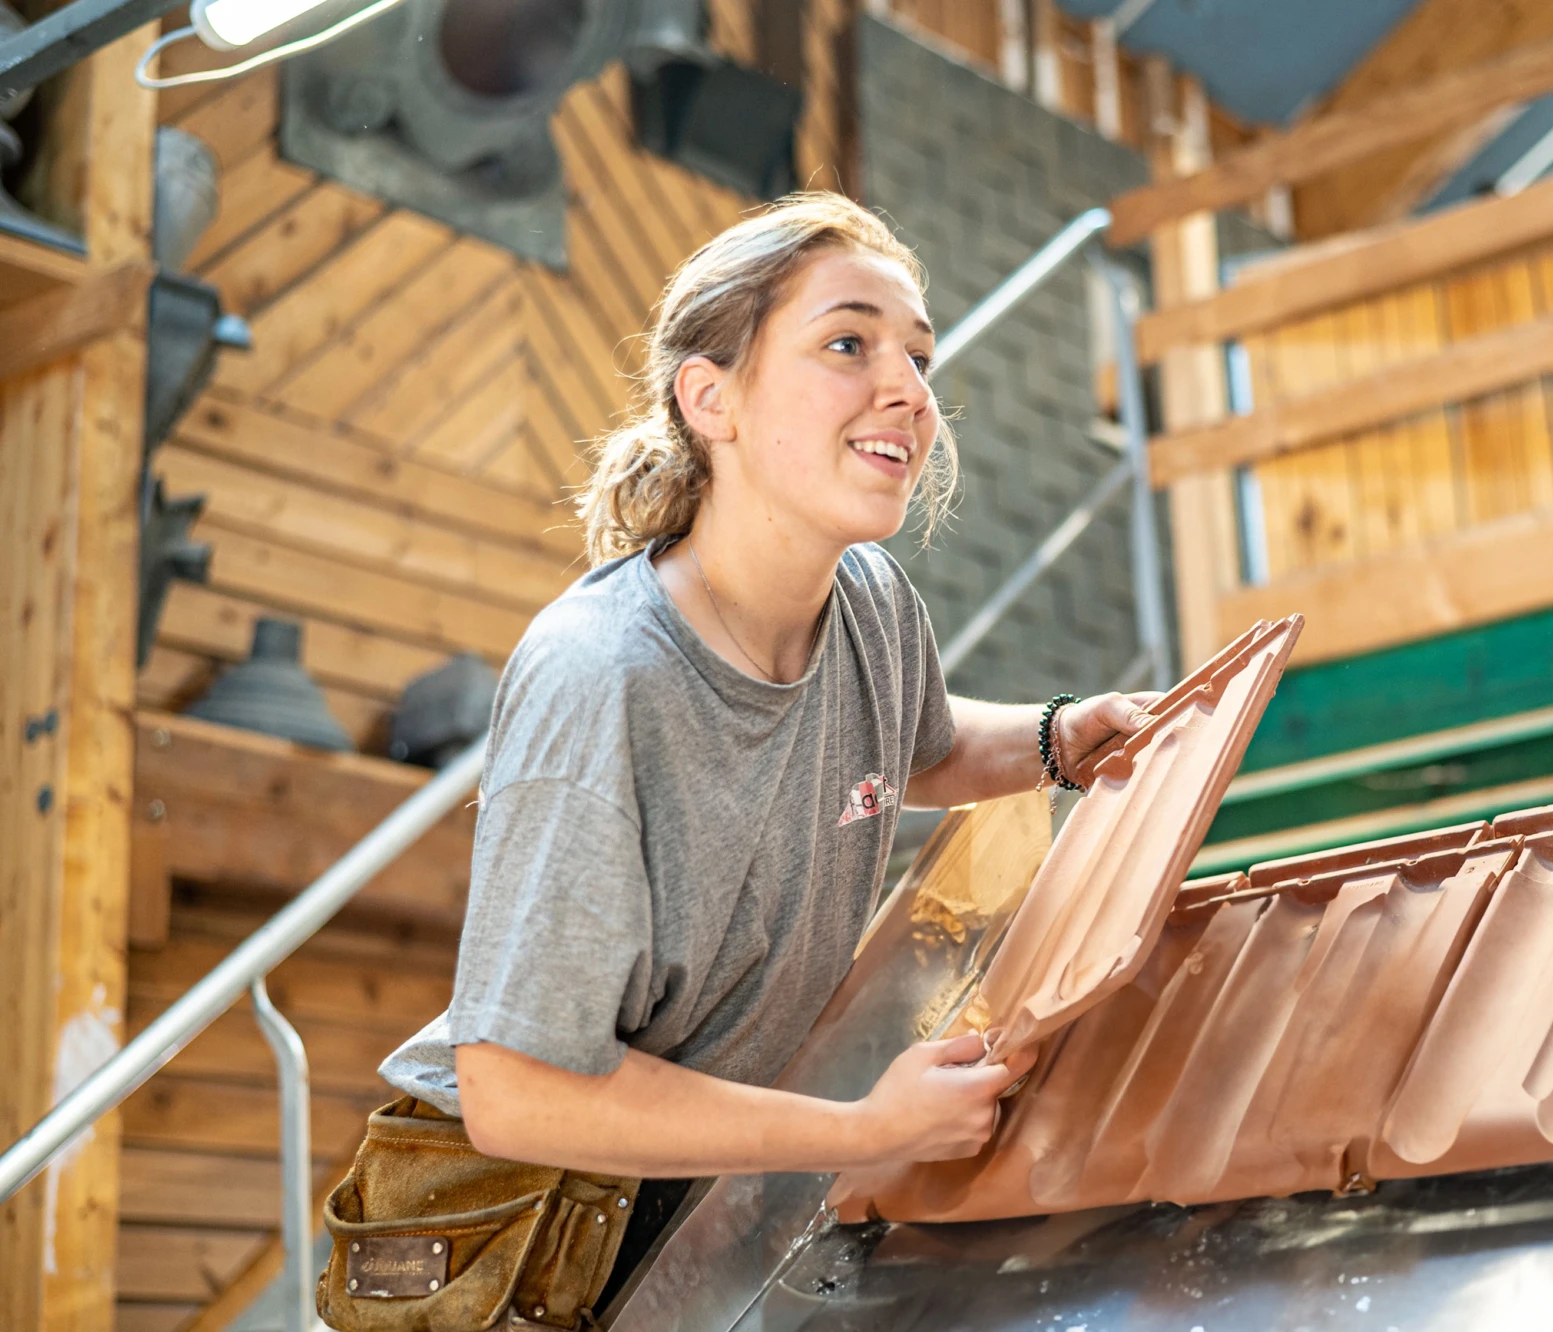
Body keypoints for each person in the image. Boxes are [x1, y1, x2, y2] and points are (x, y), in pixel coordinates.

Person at [320, 192, 1159, 1329]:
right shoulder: (602, 678)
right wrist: (868, 1128)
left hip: (683, 1201)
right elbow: (516, 1094)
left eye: (917, 353)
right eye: (847, 343)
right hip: (499, 1238)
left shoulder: (867, 603)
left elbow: (927, 745)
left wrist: (1061, 738)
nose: (908, 391)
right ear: (709, 399)